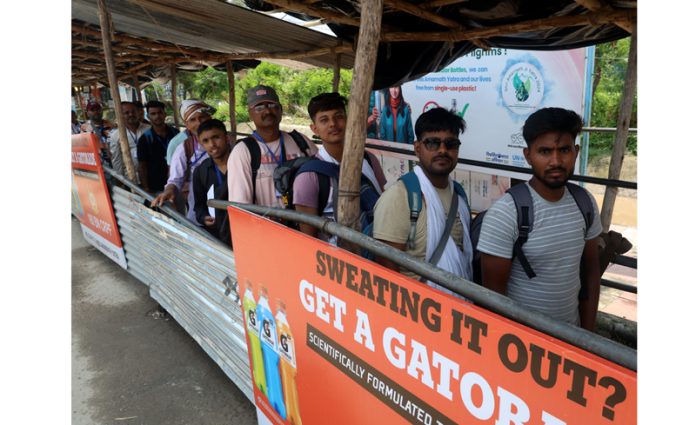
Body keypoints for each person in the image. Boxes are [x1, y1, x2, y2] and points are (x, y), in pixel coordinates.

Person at [477, 107, 602, 330]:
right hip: (522, 344)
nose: (556, 161)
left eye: (564, 150)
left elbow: (590, 271)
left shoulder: (585, 203)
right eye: (545, 151)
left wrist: (589, 336)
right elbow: (493, 300)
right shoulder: (506, 214)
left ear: (576, 151)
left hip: (572, 337)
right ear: (528, 155)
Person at [373, 107, 472, 295]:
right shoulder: (400, 197)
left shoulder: (459, 195)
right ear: (417, 148)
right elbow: (387, 272)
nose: (443, 150)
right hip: (417, 312)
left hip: (460, 312)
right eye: (433, 143)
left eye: (451, 144)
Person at [292, 92, 386, 244]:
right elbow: (308, 238)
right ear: (314, 128)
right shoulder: (309, 176)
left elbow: (383, 202)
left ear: (347, 119)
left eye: (338, 116)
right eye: (324, 120)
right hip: (336, 261)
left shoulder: (368, 159)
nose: (333, 124)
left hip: (379, 250)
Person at [227, 85, 317, 208]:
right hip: (266, 225)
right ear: (250, 114)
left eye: (272, 105)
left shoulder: (301, 141)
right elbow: (241, 207)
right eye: (259, 107)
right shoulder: (243, 152)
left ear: (280, 110)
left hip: (304, 224)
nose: (267, 111)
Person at [151, 100, 214, 225]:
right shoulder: (183, 148)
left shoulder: (225, 142)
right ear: (187, 125)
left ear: (210, 117)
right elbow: (174, 179)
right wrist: (169, 190)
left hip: (227, 210)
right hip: (199, 212)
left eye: (202, 117)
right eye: (193, 120)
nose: (199, 122)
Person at [192, 119, 233, 244]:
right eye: (206, 141)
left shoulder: (243, 163)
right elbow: (199, 206)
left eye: (216, 137)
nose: (212, 144)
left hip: (245, 230)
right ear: (201, 144)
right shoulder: (200, 171)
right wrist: (204, 218)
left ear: (227, 138)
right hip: (218, 234)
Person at [136, 101, 178, 193]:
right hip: (156, 186)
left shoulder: (176, 134)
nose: (157, 116)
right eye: (153, 114)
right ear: (148, 116)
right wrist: (146, 188)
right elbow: (142, 166)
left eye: (159, 113)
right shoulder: (144, 139)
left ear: (164, 114)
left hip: (177, 182)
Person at [108, 101, 151, 182]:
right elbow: (116, 160)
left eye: (133, 112)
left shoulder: (149, 129)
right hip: (130, 179)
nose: (131, 114)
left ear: (138, 112)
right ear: (120, 115)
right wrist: (121, 180)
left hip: (151, 176)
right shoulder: (116, 135)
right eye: (126, 113)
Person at [80, 100, 114, 165]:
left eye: (98, 109)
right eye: (92, 110)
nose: (96, 112)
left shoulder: (110, 124)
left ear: (101, 110)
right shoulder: (85, 127)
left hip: (114, 158)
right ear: (87, 113)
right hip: (98, 162)